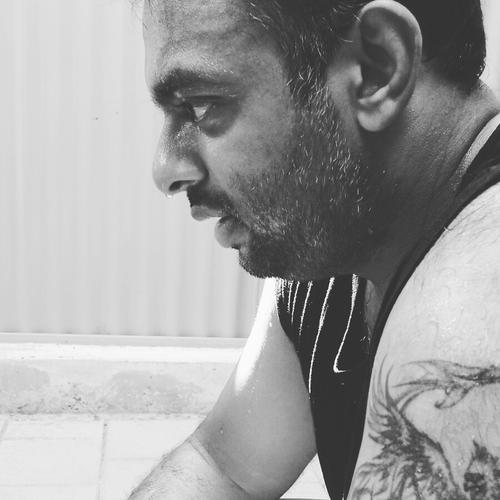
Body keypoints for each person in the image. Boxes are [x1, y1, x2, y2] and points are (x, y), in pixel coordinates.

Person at [131, 0, 500, 498]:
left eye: (201, 105)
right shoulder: (340, 228)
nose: (166, 170)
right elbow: (224, 467)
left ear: (377, 69)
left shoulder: (472, 321)